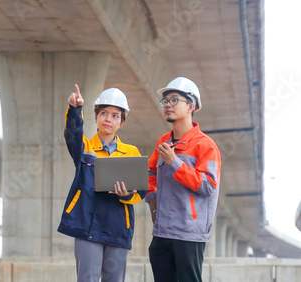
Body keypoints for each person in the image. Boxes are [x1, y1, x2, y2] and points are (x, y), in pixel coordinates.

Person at [57, 84, 146, 282]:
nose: (108, 119)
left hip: (118, 229)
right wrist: (74, 109)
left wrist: (127, 195)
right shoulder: (85, 147)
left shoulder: (132, 153)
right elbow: (72, 134)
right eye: (104, 113)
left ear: (121, 122)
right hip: (88, 227)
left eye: (115, 115)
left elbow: (141, 190)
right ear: (96, 117)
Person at [145, 77, 221, 282]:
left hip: (189, 234)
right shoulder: (163, 141)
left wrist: (175, 163)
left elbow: (208, 185)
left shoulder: (206, 145)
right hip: (162, 232)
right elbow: (151, 173)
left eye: (174, 99)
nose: (167, 104)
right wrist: (153, 202)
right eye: (165, 101)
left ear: (191, 106)